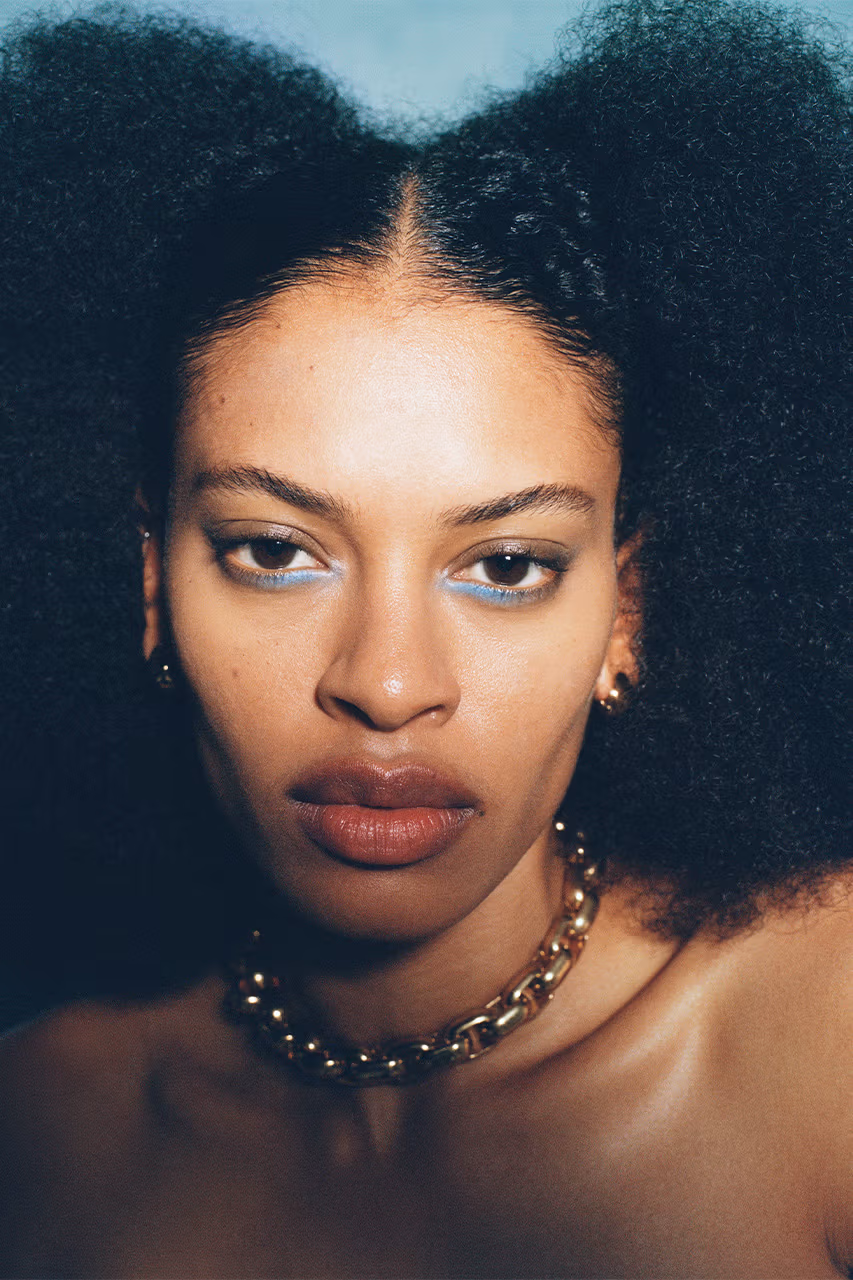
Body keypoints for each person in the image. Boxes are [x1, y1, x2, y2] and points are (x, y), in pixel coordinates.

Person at [0, 1, 850, 1276]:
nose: (388, 683)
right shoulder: (42, 1130)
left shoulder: (828, 1032)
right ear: (149, 584)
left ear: (625, 610)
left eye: (505, 565)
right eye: (273, 550)